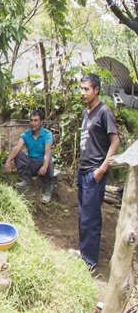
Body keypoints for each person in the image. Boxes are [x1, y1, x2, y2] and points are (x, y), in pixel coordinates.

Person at [69, 73, 120, 270]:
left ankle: (90, 261)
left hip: (95, 172)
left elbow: (115, 141)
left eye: (86, 89)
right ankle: (83, 252)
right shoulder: (87, 113)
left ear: (96, 90)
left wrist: (103, 168)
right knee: (83, 214)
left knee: (91, 217)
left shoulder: (104, 111)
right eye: (81, 89)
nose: (82, 93)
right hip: (84, 170)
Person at [4, 109, 56, 203]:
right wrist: (8, 161)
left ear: (41, 122)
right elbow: (16, 148)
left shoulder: (47, 134)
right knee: (18, 153)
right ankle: (26, 179)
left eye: (35, 120)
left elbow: (47, 152)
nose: (32, 123)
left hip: (43, 164)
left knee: (49, 162)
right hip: (32, 164)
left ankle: (48, 190)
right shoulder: (26, 134)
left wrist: (44, 166)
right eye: (31, 120)